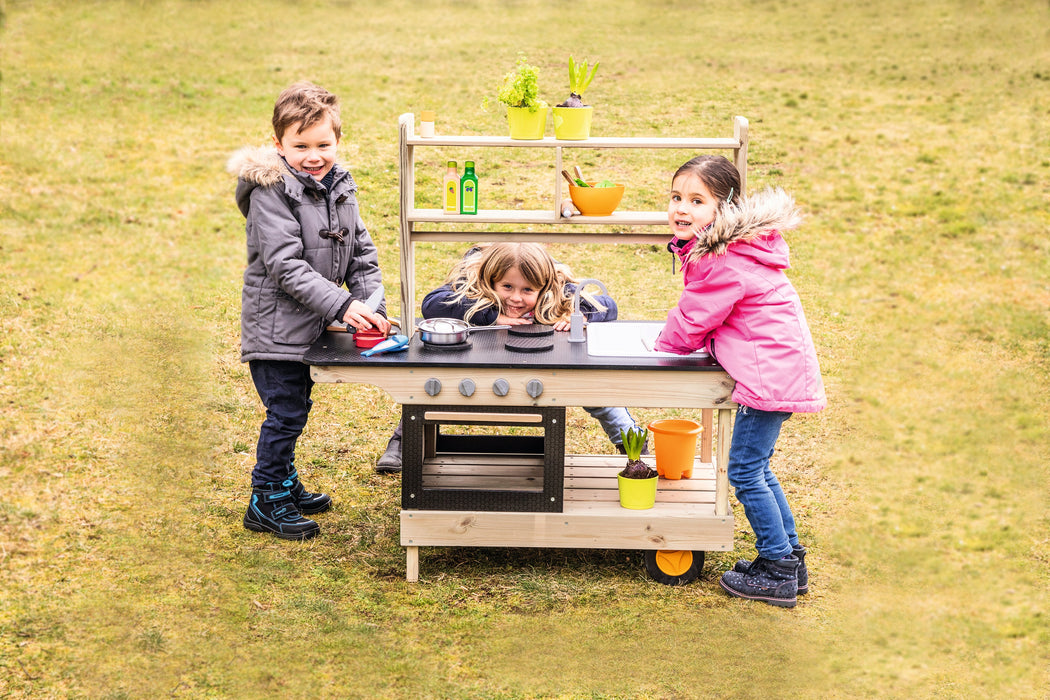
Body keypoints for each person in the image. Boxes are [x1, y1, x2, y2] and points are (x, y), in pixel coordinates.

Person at [655, 155, 826, 608]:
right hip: (776, 369)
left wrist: (660, 344)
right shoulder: (735, 249)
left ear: (725, 208)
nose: (682, 209)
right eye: (676, 198)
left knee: (746, 470)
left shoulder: (723, 260)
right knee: (759, 467)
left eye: (697, 200)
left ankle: (777, 568)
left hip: (768, 376)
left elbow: (693, 319)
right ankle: (790, 559)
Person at [228, 81, 391, 540]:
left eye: (323, 144)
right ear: (279, 145)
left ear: (338, 141)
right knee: (285, 413)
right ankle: (266, 498)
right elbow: (285, 266)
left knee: (296, 407)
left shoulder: (337, 185)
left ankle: (284, 482)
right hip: (275, 329)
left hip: (310, 323)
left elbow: (360, 251)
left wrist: (371, 304)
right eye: (300, 146)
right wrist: (343, 304)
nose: (313, 155)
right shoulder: (271, 191)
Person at [375, 242, 643, 472]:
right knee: (432, 383)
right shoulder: (473, 281)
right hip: (477, 357)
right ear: (491, 281)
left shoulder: (556, 288)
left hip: (540, 360)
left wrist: (580, 316)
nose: (516, 298)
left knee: (590, 382)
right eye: (507, 287)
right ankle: (402, 441)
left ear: (543, 287)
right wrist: (492, 315)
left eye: (527, 290)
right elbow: (432, 303)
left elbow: (608, 307)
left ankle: (629, 440)